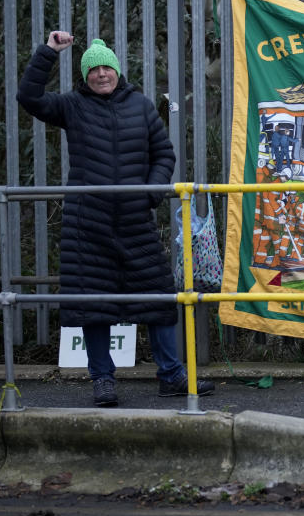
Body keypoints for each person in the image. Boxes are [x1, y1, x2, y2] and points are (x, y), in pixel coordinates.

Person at [17, 32, 215, 407]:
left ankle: (172, 376)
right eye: (94, 69)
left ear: (117, 70)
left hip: (135, 222)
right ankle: (103, 381)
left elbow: (164, 155)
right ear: (85, 76)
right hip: (87, 224)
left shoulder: (140, 105)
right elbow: (29, 98)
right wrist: (48, 52)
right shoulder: (72, 105)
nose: (101, 74)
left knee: (159, 298)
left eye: (107, 66)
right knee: (95, 304)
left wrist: (151, 193)